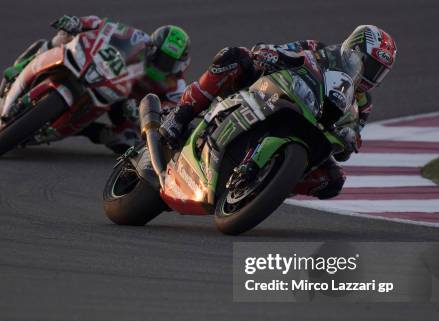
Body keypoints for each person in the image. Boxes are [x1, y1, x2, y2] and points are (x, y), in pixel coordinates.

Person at [159, 25, 397, 199]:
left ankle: (267, 183)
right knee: (235, 56)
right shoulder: (319, 51)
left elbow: (352, 134)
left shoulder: (363, 104)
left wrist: (350, 140)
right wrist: (271, 54)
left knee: (332, 181)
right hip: (272, 93)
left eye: (379, 72)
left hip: (311, 130)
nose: (371, 76)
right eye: (371, 65)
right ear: (353, 50)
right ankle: (179, 116)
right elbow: (275, 51)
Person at [4, 15, 191, 153]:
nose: (160, 63)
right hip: (107, 77)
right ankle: (22, 67)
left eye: (168, 62)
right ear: (151, 46)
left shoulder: (176, 86)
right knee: (62, 37)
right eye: (158, 55)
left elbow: (171, 113)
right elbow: (104, 26)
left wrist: (142, 115)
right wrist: (79, 24)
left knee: (127, 141)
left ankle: (79, 129)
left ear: (179, 65)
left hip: (125, 106)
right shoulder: (137, 39)